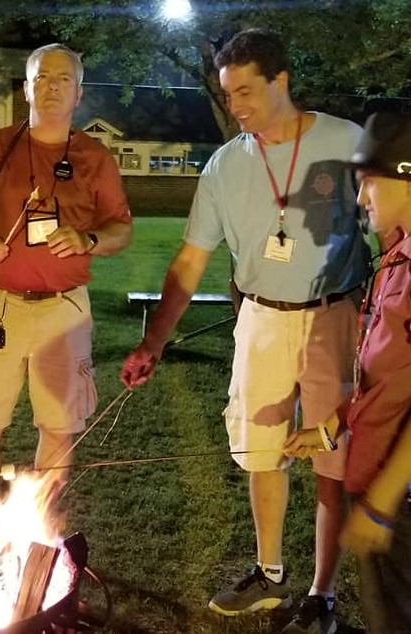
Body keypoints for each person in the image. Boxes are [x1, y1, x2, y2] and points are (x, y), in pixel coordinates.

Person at [121, 29, 369, 633]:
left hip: (333, 315)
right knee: (262, 450)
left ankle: (322, 593)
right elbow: (188, 262)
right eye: (229, 96)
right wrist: (153, 342)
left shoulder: (346, 142)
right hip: (259, 319)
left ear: (281, 80)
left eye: (247, 92)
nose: (237, 107)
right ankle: (270, 573)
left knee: (330, 456)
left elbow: (389, 232)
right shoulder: (225, 166)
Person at [285, 112, 411, 633]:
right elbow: (383, 373)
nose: (360, 196)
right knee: (387, 604)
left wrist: (381, 502)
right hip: (378, 455)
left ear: (409, 180)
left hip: (405, 472)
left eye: (368, 181)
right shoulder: (402, 251)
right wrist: (330, 428)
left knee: (399, 614)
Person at [0, 43, 132, 515]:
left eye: (63, 80)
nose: (52, 87)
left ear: (79, 93)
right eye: (42, 78)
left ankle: (35, 525)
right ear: (26, 88)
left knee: (58, 425)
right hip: (0, 304)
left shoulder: (95, 158)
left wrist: (88, 239)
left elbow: (121, 229)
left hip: (64, 309)